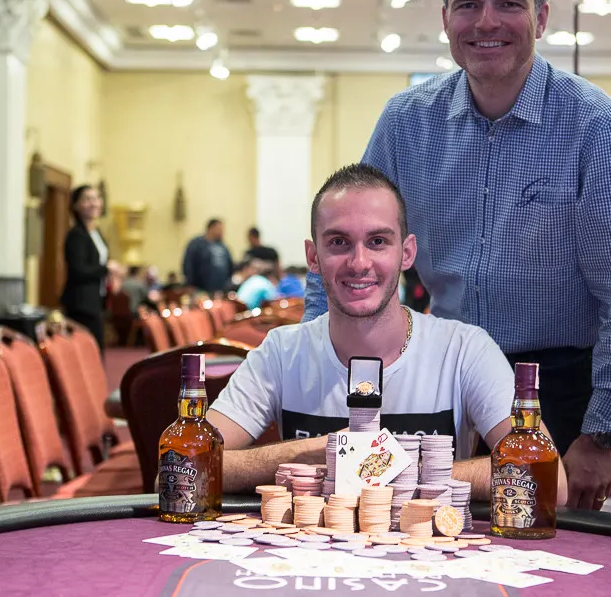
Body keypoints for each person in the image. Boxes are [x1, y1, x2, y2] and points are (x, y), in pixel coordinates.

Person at [301, 0, 611, 511]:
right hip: (437, 379)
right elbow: (347, 246)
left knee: (540, 548)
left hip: (554, 391)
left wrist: (601, 434)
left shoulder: (602, 133)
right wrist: (317, 370)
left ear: (541, 18)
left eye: (509, 4)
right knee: (413, 532)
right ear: (446, 17)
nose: (487, 22)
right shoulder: (405, 124)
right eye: (468, 4)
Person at [207, 164, 567, 503]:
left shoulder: (464, 349)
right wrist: (310, 453)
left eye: (378, 241)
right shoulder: (281, 352)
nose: (359, 262)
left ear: (406, 253)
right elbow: (187, 466)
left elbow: (550, 479)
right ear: (313, 257)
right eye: (338, 242)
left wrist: (385, 470)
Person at [61, 184, 118, 351]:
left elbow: (97, 264)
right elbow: (78, 270)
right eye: (87, 199)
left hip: (96, 300)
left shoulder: (96, 233)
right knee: (90, 350)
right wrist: (107, 269)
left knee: (97, 348)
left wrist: (111, 276)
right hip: (81, 303)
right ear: (76, 205)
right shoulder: (76, 235)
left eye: (96, 198)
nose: (93, 203)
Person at [181, 219, 234, 294]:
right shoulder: (197, 244)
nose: (222, 232)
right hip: (200, 288)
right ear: (211, 228)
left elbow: (230, 265)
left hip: (220, 289)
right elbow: (188, 264)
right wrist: (190, 283)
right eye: (219, 229)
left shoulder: (223, 247)